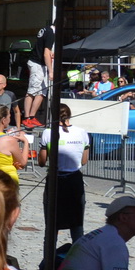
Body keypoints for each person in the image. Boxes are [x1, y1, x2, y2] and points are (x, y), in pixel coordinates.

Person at [41, 104, 90, 242]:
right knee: (77, 225)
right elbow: (84, 160)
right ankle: (78, 259)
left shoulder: (48, 133)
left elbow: (42, 161)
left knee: (51, 226)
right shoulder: (82, 132)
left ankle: (48, 260)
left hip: (56, 180)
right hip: (74, 180)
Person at [25, 24, 55, 128]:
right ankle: (26, 118)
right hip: (37, 63)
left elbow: (44, 50)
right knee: (32, 91)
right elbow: (46, 54)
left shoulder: (45, 29)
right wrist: (51, 71)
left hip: (40, 64)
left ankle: (32, 117)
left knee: (43, 91)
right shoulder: (51, 33)